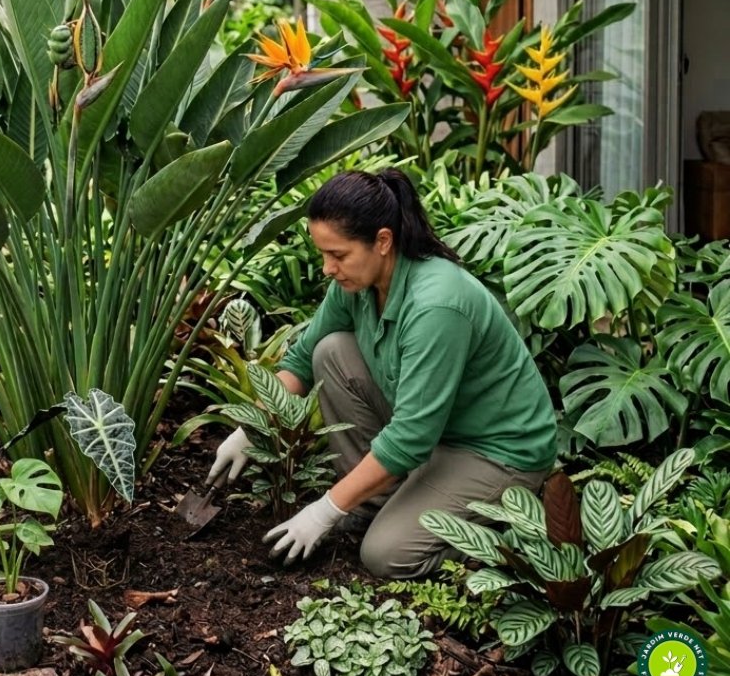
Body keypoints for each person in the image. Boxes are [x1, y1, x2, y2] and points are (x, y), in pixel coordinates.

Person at [206, 168, 557, 579]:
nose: (327, 268)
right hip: (438, 434)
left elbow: (409, 439)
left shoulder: (437, 307)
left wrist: (325, 509)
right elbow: (301, 361)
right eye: (323, 254)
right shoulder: (358, 283)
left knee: (386, 555)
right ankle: (375, 502)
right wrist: (250, 428)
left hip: (496, 452)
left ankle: (511, 538)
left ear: (383, 242)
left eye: (338, 255)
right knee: (331, 352)